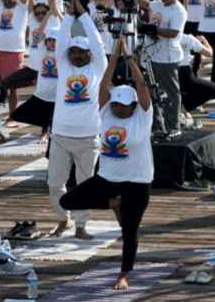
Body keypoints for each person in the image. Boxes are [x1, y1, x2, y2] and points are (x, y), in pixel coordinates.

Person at [60, 40, 153, 291]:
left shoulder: (143, 117)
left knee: (130, 231)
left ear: (133, 105)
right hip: (107, 179)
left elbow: (142, 85)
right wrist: (114, 57)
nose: (118, 109)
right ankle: (114, 203)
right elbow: (103, 83)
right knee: (67, 201)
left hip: (137, 181)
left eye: (122, 106)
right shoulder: (106, 112)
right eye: (115, 104)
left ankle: (123, 273)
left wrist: (130, 58)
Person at [48, 4, 106, 238]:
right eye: (73, 51)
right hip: (60, 136)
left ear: (89, 53)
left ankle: (81, 225)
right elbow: (62, 41)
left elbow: (97, 42)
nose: (77, 55)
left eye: (81, 52)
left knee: (85, 185)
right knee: (54, 183)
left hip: (88, 137)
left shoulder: (97, 68)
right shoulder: (63, 66)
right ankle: (63, 219)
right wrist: (68, 17)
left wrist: (83, 16)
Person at [140, 0, 187, 139]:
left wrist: (153, 30)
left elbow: (173, 33)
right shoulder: (157, 4)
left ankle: (173, 126)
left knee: (170, 93)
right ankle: (157, 125)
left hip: (168, 58)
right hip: (152, 56)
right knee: (152, 91)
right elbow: (147, 4)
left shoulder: (179, 11)